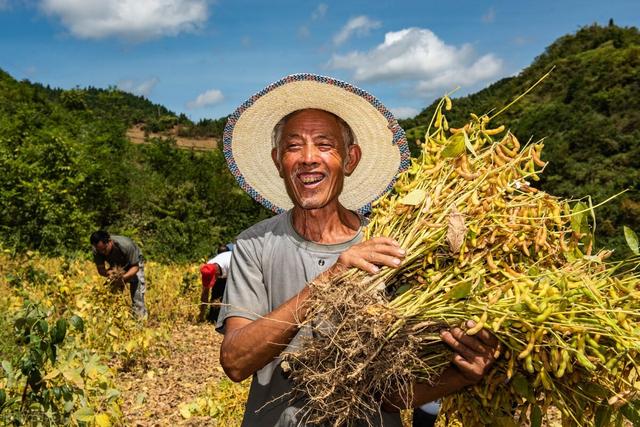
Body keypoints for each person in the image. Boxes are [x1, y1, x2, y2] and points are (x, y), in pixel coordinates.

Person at [216, 73, 499, 426]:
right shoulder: (254, 245)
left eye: (324, 145)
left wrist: (463, 375)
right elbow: (236, 361)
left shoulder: (395, 246)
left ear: (350, 159)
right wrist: (330, 279)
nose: (308, 158)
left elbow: (391, 396)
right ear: (278, 160)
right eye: (293, 147)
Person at [90, 230, 148, 318]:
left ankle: (140, 318)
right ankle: (114, 317)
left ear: (109, 241)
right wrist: (110, 274)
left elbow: (135, 268)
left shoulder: (126, 245)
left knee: (137, 289)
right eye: (100, 251)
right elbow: (101, 270)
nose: (103, 253)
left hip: (133, 262)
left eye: (104, 249)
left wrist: (123, 278)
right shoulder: (97, 249)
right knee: (111, 291)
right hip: (116, 265)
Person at [198, 243, 233, 322]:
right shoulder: (208, 267)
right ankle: (213, 317)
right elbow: (205, 293)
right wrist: (201, 314)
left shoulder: (231, 264)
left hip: (236, 269)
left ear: (216, 272)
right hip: (223, 271)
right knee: (216, 294)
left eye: (213, 278)